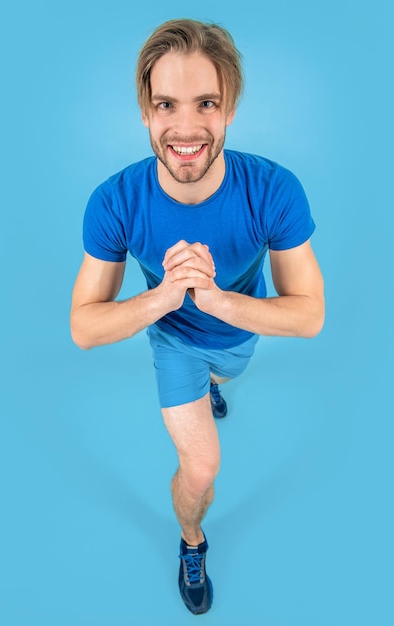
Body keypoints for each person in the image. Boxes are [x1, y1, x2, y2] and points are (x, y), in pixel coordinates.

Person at [70, 18, 325, 615]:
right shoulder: (114, 202)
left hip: (239, 328)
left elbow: (309, 315)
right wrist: (166, 298)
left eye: (205, 102)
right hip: (174, 340)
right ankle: (192, 541)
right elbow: (84, 327)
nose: (185, 128)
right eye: (166, 105)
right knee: (202, 465)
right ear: (145, 111)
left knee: (227, 375)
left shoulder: (275, 190)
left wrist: (217, 301)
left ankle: (214, 384)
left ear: (229, 106)